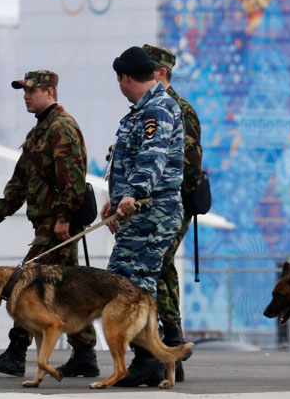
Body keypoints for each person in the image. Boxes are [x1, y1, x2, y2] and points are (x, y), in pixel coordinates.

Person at [0, 70, 99, 378]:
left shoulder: (61, 127)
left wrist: (63, 218)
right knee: (66, 292)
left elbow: (72, 179)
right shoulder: (38, 132)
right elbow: (20, 180)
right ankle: (85, 354)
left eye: (31, 91)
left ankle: (17, 354)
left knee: (26, 285)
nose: (26, 96)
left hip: (56, 228)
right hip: (45, 226)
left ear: (50, 92)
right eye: (24, 91)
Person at [104, 46, 186, 387]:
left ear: (125, 78)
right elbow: (130, 159)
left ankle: (149, 357)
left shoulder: (158, 109)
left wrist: (133, 193)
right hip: (140, 211)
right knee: (131, 283)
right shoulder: (144, 109)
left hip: (153, 211)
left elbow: (152, 157)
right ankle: (151, 356)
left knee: (131, 285)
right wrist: (116, 198)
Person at [142, 43, 203, 382]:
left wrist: (170, 200)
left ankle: (172, 338)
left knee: (159, 263)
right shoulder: (150, 106)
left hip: (172, 203)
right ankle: (172, 340)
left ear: (161, 72)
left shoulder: (180, 109)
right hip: (155, 204)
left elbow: (191, 166)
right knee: (160, 267)